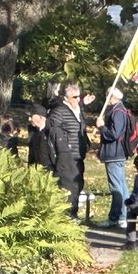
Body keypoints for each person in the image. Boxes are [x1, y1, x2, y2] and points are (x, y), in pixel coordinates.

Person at [48, 81, 91, 219]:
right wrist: (64, 148)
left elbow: (82, 129)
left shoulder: (78, 111)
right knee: (68, 185)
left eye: (79, 97)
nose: (78, 99)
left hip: (79, 154)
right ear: (66, 98)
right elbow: (53, 131)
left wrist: (86, 143)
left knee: (78, 185)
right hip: (67, 155)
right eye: (75, 97)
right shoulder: (59, 111)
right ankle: (66, 216)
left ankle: (73, 213)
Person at [95, 87, 131, 228]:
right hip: (115, 153)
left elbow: (114, 134)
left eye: (107, 96)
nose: (105, 98)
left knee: (117, 187)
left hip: (114, 154)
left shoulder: (117, 112)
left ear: (112, 97)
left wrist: (102, 127)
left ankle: (117, 217)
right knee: (121, 186)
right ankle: (123, 216)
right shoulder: (118, 110)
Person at [27, 104, 56, 171]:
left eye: (31, 116)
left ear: (41, 117)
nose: (29, 119)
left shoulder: (52, 131)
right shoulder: (33, 132)